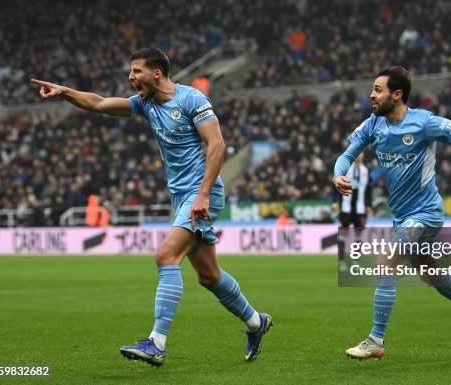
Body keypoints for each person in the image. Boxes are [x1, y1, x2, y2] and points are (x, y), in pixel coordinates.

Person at [31, 48, 272, 367]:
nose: (131, 78)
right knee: (209, 276)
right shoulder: (145, 104)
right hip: (182, 196)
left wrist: (201, 196)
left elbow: (217, 145)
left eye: (136, 71)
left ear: (156, 73)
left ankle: (156, 343)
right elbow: (101, 103)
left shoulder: (191, 100)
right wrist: (65, 93)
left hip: (203, 192)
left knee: (165, 256)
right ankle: (256, 322)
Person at [333, 66, 451, 360]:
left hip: (426, 213)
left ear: (397, 95)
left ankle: (375, 340)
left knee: (385, 262)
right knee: (428, 271)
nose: (371, 95)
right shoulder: (373, 124)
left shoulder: (424, 123)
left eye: (378, 90)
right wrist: (338, 175)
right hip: (402, 216)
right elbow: (347, 155)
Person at [335, 152, 372, 272]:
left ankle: (356, 262)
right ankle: (341, 262)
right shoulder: (346, 169)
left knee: (359, 234)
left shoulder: (365, 170)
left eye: (361, 154)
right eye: (358, 154)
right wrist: (336, 202)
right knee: (343, 233)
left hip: (360, 209)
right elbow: (337, 184)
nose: (359, 156)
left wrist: (369, 205)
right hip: (346, 207)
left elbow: (368, 189)